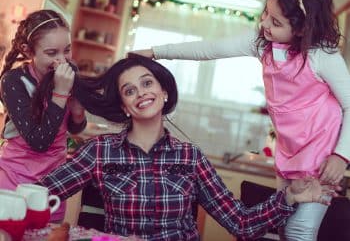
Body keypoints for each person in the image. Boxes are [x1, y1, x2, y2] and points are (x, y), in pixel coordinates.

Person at [130, 0, 350, 240]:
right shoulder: (262, 44)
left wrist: (341, 155)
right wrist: (155, 52)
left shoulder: (322, 55)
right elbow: (209, 48)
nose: (264, 23)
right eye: (265, 13)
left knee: (299, 230)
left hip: (322, 154)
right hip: (290, 152)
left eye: (276, 21)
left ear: (303, 29)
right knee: (283, 224)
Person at [38, 56, 337, 241]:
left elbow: (241, 223)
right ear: (124, 106)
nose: (141, 93)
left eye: (147, 83)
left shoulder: (190, 157)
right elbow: (42, 194)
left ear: (164, 92)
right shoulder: (99, 151)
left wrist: (289, 196)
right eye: (130, 90)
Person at [0, 9, 87, 222]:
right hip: (13, 188)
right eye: (51, 53)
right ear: (28, 51)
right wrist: (60, 93)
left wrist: (77, 112)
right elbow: (39, 141)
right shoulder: (14, 82)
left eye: (66, 50)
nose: (61, 60)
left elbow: (73, 128)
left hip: (52, 189)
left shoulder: (68, 74)